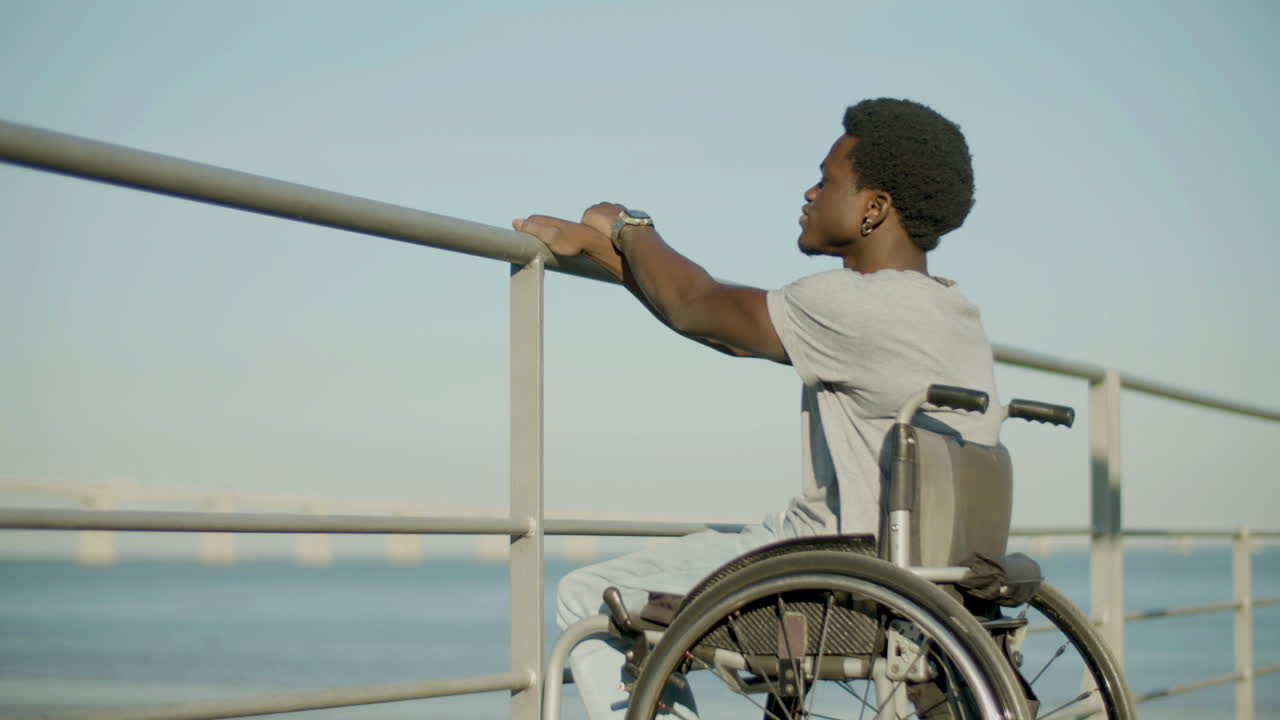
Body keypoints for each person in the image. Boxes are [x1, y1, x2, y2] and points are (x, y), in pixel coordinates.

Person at [513, 98, 1001, 719]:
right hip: (927, 579)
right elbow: (713, 319)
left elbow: (697, 306)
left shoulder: (854, 305)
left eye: (825, 180)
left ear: (873, 208)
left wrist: (629, 225)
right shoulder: (950, 312)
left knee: (589, 595)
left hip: (837, 577)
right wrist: (603, 251)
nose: (809, 192)